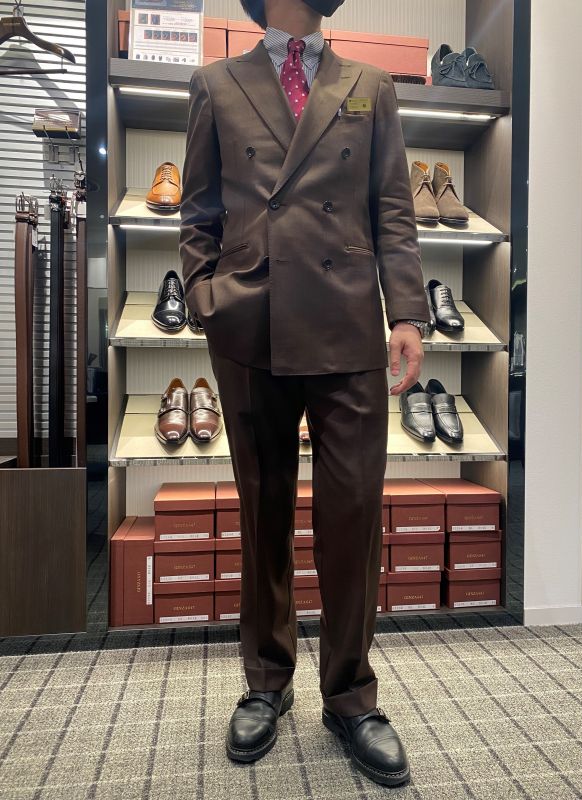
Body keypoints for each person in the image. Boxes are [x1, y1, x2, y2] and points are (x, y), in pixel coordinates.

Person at [180, 0, 430, 787]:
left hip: (348, 323)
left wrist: (408, 313)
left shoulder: (371, 85)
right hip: (249, 322)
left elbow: (393, 209)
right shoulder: (216, 83)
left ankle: (351, 696)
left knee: (353, 516)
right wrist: (204, 295)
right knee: (264, 511)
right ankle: (266, 681)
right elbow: (198, 210)